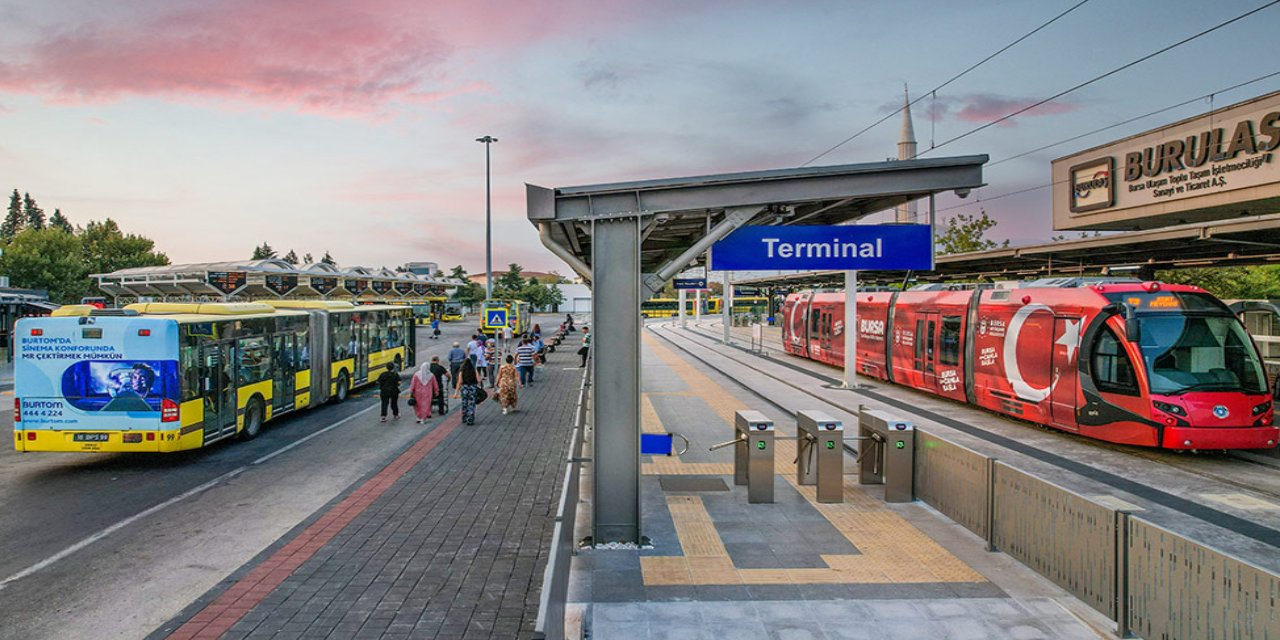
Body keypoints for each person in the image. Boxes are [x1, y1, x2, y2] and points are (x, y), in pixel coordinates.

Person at [453, 358, 481, 425]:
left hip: (464, 388)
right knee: (471, 403)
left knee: (464, 403)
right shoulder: (474, 370)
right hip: (472, 388)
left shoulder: (461, 371)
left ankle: (464, 417)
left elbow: (459, 382)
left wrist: (456, 393)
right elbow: (479, 380)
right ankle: (470, 419)